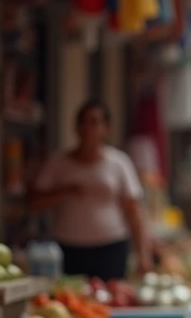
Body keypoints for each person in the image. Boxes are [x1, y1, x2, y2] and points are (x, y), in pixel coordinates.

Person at [30, 100, 151, 280]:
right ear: (76, 127)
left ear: (106, 128)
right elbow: (34, 202)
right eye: (83, 122)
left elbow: (133, 210)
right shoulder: (58, 162)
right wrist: (67, 190)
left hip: (111, 247)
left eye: (94, 122)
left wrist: (143, 254)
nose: (88, 128)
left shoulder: (119, 163)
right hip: (68, 248)